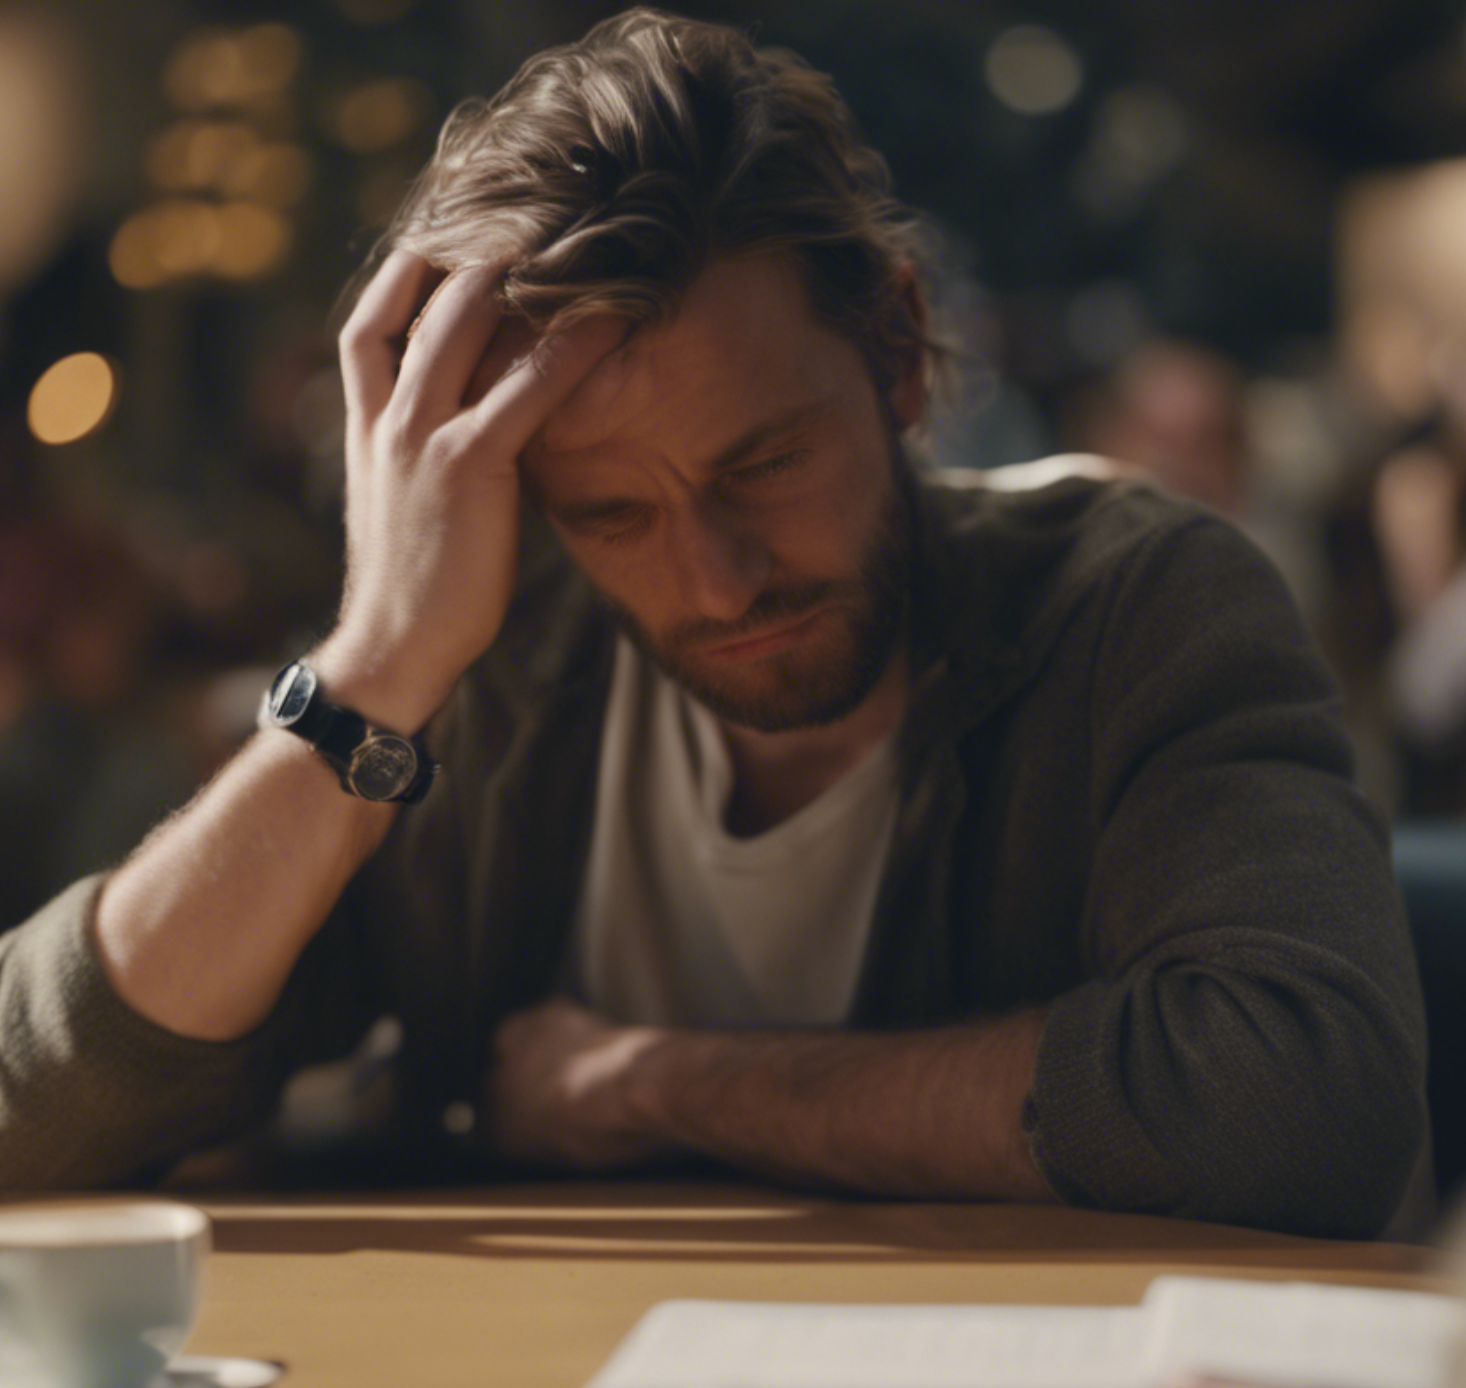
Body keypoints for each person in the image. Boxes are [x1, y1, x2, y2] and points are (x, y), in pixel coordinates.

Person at [0, 9, 1427, 1237]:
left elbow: (1302, 1109)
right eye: (611, 514)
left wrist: (649, 1082)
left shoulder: (1132, 606)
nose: (716, 580)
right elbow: (36, 1117)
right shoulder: (477, 667)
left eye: (761, 465)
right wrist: (376, 661)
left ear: (895, 351)